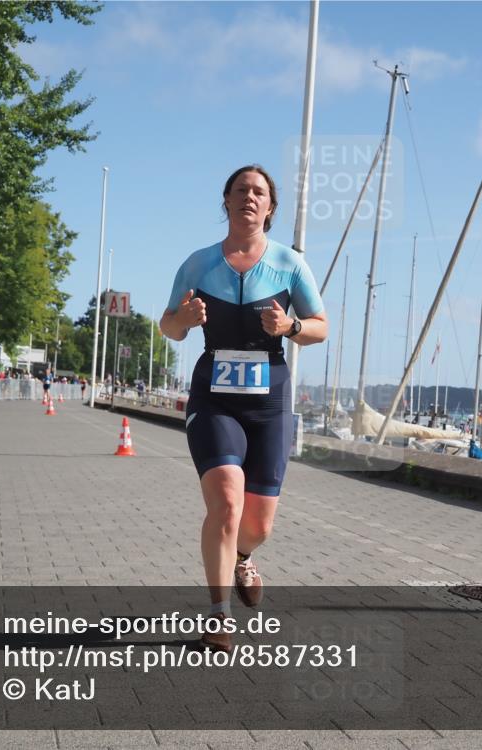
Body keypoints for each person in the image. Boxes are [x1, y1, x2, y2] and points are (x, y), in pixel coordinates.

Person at [160, 165, 328, 652]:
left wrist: (291, 328)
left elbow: (321, 326)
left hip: (269, 400)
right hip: (214, 397)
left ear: (270, 207)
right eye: (241, 190)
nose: (249, 197)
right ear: (227, 201)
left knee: (257, 525)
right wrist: (183, 319)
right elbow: (168, 326)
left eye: (259, 192)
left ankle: (243, 557)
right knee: (226, 503)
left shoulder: (289, 264)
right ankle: (218, 616)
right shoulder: (198, 264)